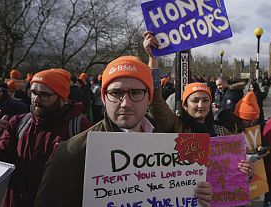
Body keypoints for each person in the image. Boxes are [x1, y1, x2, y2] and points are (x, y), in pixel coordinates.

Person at [34, 56, 213, 207]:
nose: (125, 103)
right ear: (104, 98)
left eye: (135, 93)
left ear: (149, 97)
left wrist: (197, 196)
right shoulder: (71, 154)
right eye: (116, 93)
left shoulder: (169, 141)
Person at [143, 31, 253, 179]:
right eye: (195, 101)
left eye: (205, 100)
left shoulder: (222, 133)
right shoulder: (177, 127)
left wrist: (247, 171)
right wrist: (153, 58)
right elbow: (155, 102)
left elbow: (238, 174)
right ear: (185, 106)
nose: (201, 105)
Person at [0, 69, 92, 207]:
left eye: (44, 95)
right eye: (33, 92)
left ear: (61, 98)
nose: (36, 99)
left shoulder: (80, 128)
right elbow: (2, 162)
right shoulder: (18, 123)